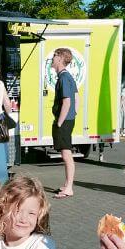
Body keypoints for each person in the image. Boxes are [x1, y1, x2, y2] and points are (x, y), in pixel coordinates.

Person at [51, 48, 78, 199]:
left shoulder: (63, 78)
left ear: (60, 59)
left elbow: (67, 101)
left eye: (54, 56)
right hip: (69, 119)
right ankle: (67, 184)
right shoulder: (67, 77)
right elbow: (77, 97)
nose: (52, 58)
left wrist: (60, 122)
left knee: (66, 154)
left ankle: (69, 188)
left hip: (64, 121)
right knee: (65, 153)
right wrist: (74, 114)